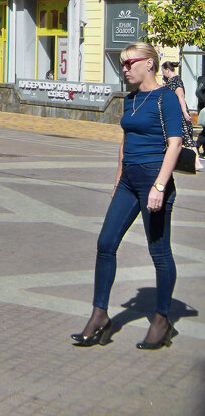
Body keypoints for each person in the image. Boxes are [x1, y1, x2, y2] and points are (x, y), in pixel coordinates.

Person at [71, 42, 183, 350]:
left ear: (149, 63)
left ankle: (161, 319)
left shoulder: (166, 98)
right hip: (129, 182)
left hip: (153, 179)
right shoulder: (131, 99)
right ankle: (99, 316)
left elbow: (174, 144)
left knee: (159, 252)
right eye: (122, 63)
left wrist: (160, 186)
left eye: (129, 62)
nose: (124, 68)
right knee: (105, 244)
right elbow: (126, 139)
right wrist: (119, 177)